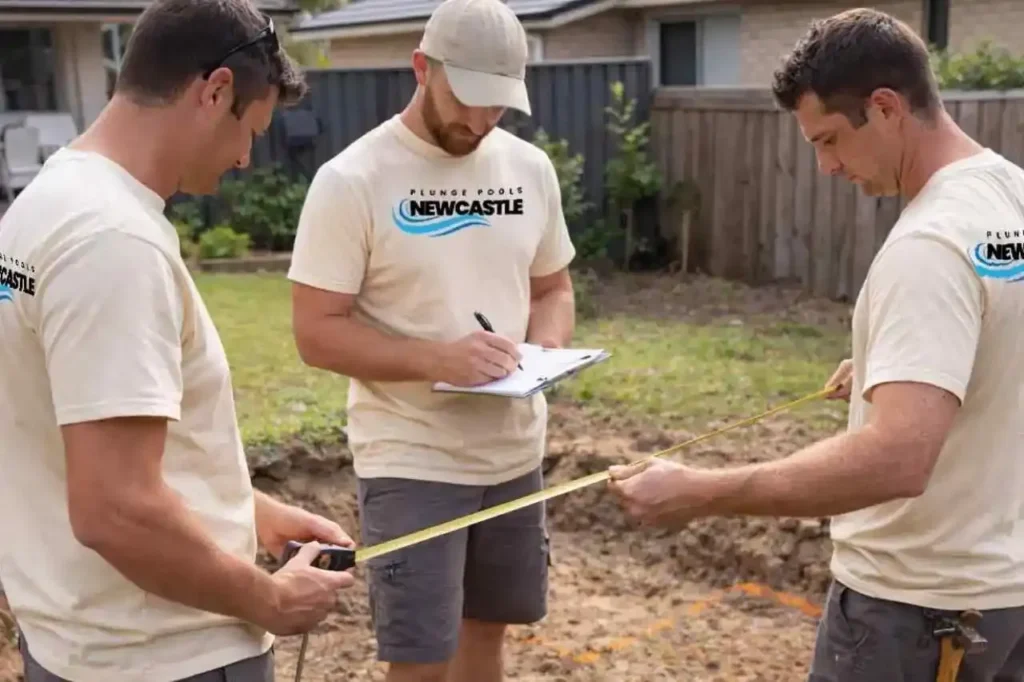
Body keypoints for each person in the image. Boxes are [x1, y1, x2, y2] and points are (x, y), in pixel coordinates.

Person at [607, 8, 1024, 682]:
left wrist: (702, 492)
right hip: (1004, 604)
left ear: (886, 108)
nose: (826, 167)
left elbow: (896, 461)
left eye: (829, 139)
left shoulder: (929, 244)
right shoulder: (1010, 196)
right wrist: (910, 365)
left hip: (914, 613)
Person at [0, 0, 357, 680]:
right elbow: (114, 508)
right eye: (249, 130)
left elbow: (78, 441)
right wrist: (270, 598)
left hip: (75, 641)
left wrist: (250, 513)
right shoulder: (112, 241)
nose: (248, 158)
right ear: (215, 90)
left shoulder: (45, 204)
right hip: (167, 655)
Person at [287, 0, 577, 680]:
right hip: (411, 458)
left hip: (512, 454)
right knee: (420, 660)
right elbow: (315, 334)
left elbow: (552, 289)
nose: (479, 122)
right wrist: (436, 361)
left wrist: (545, 354)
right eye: (467, 100)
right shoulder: (352, 181)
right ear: (422, 69)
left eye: (497, 107)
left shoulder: (530, 169)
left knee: (487, 641)